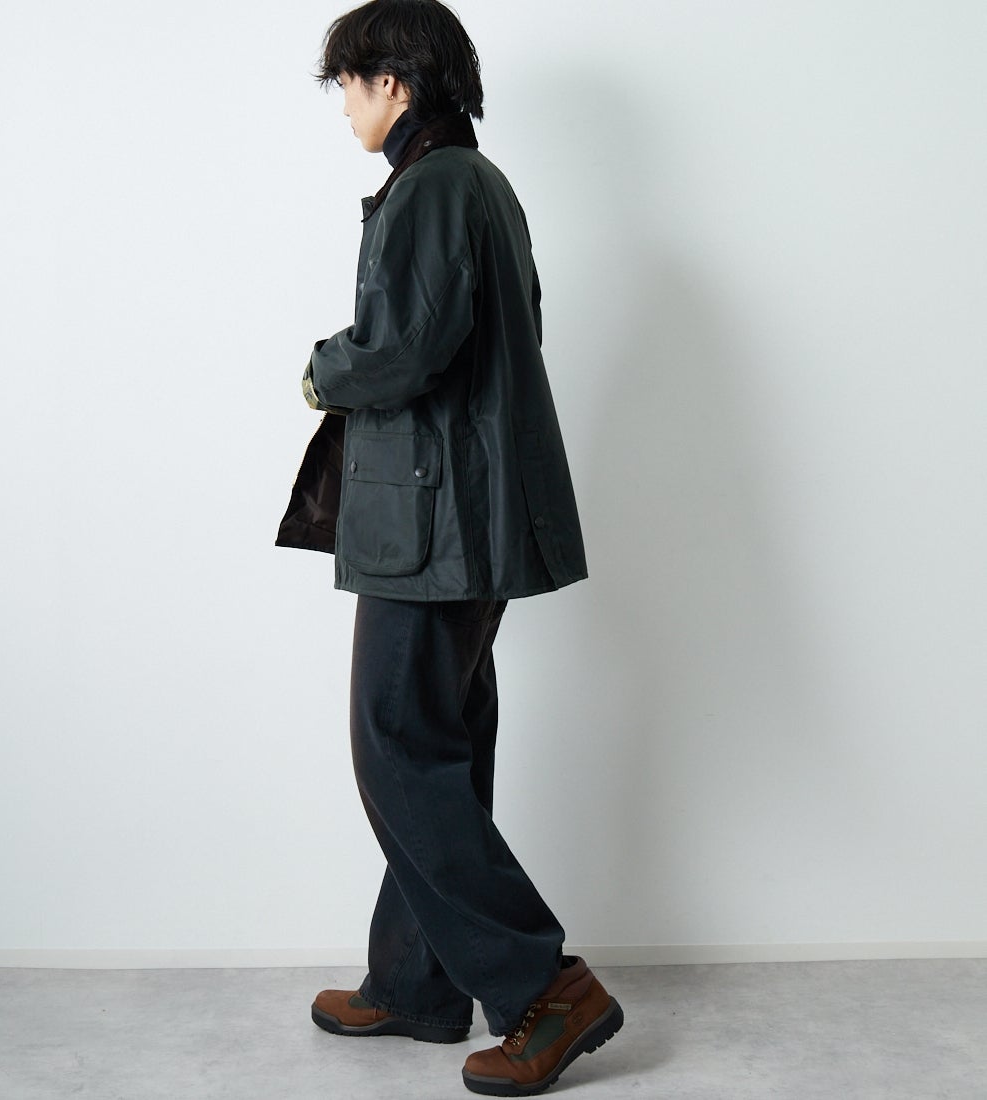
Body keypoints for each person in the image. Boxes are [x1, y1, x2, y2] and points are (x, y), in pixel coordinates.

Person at [276, 1, 623, 1093]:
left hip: (432, 524)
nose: (344, 103)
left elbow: (406, 348)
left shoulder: (432, 187)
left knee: (394, 745)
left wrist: (322, 369)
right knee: (440, 746)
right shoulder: (480, 184)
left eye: (350, 83)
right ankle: (416, 979)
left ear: (394, 82)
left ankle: (545, 988)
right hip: (465, 516)